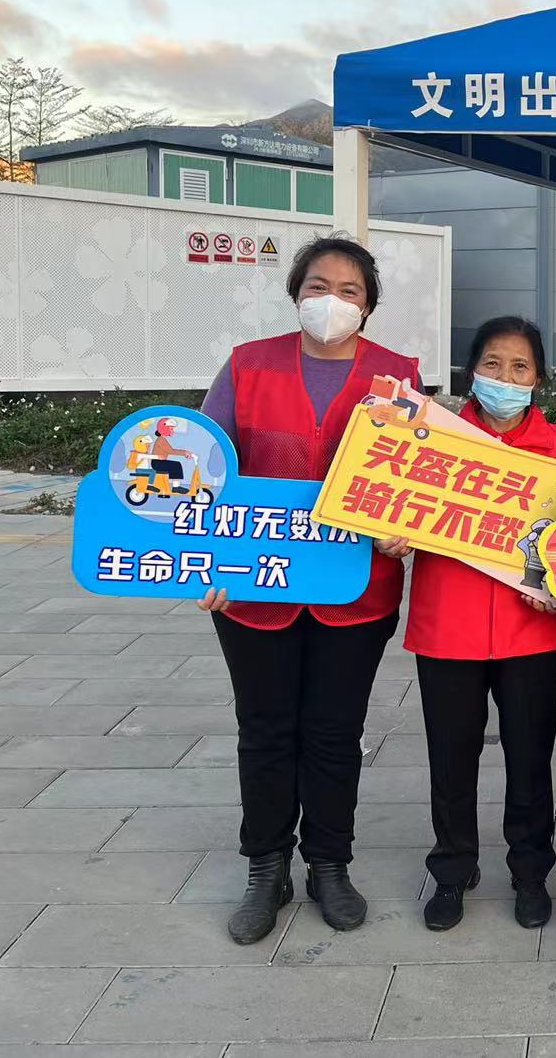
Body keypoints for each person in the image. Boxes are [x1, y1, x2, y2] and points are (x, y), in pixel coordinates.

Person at [198, 236, 418, 945]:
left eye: (350, 291)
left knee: (334, 732)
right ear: (296, 293)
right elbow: (204, 470)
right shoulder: (247, 365)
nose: (332, 301)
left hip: (355, 589)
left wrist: (404, 529)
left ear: (369, 306)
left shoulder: (399, 378)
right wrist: (203, 564)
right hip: (254, 588)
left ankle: (329, 863)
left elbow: (418, 478)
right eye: (319, 286)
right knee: (264, 729)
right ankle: (266, 867)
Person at [403, 317, 556, 934]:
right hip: (447, 623)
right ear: (472, 371)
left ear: (538, 379)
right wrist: (390, 534)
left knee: (530, 759)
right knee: (450, 758)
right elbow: (388, 501)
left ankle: (530, 871)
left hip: (531, 630)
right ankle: (453, 868)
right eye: (493, 364)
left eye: (520, 367)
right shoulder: (431, 439)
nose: (506, 377)